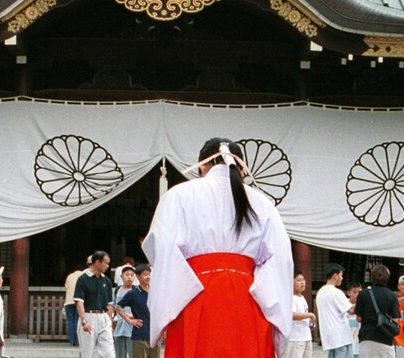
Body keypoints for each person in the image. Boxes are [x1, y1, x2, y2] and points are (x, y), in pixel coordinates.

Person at [142, 137, 294, 358]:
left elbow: (163, 250)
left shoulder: (178, 195)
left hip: (194, 296)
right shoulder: (262, 203)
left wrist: (166, 308)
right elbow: (280, 260)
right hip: (248, 299)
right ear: (241, 168)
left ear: (203, 165)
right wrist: (271, 309)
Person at [75, 250, 116, 358]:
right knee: (87, 352)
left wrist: (110, 322)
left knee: (109, 353)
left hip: (104, 317)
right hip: (89, 316)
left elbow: (109, 304)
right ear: (97, 262)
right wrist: (84, 321)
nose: (107, 266)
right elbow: (79, 302)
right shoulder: (83, 279)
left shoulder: (106, 281)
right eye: (106, 263)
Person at [354, 264, 400, 358]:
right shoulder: (392, 296)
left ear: (373, 276)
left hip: (367, 337)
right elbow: (396, 320)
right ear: (387, 278)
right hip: (386, 339)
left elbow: (359, 318)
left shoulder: (363, 294)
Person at [117, 264, 160, 358]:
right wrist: (129, 320)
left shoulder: (155, 291)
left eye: (149, 274)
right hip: (140, 335)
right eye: (145, 274)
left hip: (155, 335)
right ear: (138, 277)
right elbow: (118, 307)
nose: (148, 276)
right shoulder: (133, 293)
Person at [318, 263, 356, 358]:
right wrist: (363, 299)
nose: (342, 278)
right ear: (335, 276)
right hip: (341, 336)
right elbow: (351, 311)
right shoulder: (336, 292)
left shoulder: (320, 292)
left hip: (330, 337)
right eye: (341, 275)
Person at [281, 270, 316, 358]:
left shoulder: (302, 297)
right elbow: (292, 315)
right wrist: (309, 315)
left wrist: (310, 324)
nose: (302, 282)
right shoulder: (290, 297)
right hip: (295, 338)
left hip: (306, 336)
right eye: (298, 280)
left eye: (303, 280)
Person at [114, 264, 136, 358]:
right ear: (121, 276)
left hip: (132, 327)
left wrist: (129, 315)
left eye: (132, 275)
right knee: (119, 354)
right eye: (127, 275)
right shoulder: (117, 290)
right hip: (119, 326)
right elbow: (113, 307)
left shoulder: (136, 291)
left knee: (133, 354)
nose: (129, 277)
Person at [65, 262, 89, 346]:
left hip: (68, 301)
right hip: (79, 302)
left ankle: (72, 341)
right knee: (78, 321)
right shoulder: (83, 276)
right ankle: (78, 340)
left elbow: (66, 287)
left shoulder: (69, 276)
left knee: (70, 321)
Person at [348, 283, 364, 356]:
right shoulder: (343, 304)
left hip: (360, 344)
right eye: (354, 292)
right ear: (349, 293)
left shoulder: (365, 305)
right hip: (347, 343)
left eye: (359, 293)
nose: (357, 294)